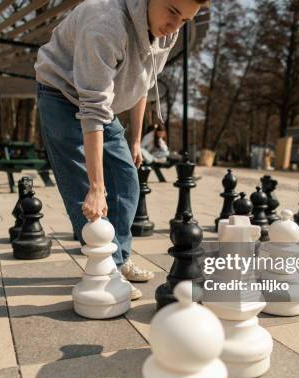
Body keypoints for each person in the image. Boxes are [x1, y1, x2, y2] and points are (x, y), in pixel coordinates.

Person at [35, 0, 206, 300]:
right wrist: (97, 187)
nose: (175, 25)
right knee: (84, 189)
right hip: (61, 93)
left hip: (103, 104)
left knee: (128, 179)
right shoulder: (106, 22)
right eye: (173, 12)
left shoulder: (167, 31)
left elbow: (142, 83)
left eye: (185, 20)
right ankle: (104, 268)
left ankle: (120, 258)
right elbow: (92, 108)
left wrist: (136, 140)